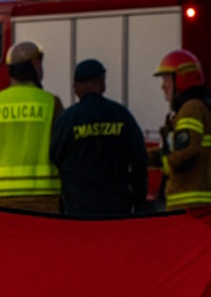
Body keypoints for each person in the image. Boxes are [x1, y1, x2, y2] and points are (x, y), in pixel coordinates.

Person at [0, 40, 64, 213]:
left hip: (2, 200)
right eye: (40, 64)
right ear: (34, 66)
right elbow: (64, 152)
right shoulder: (52, 103)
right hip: (45, 199)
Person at [49, 59, 148, 215]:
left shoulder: (67, 120)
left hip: (78, 208)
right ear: (101, 82)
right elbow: (139, 160)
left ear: (78, 88)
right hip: (117, 208)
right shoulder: (121, 115)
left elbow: (55, 156)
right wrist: (139, 202)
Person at [148, 49, 211, 209]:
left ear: (180, 79)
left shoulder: (192, 109)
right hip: (192, 202)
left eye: (166, 79)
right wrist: (141, 156)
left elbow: (185, 153)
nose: (163, 86)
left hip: (191, 204)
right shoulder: (192, 108)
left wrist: (163, 162)